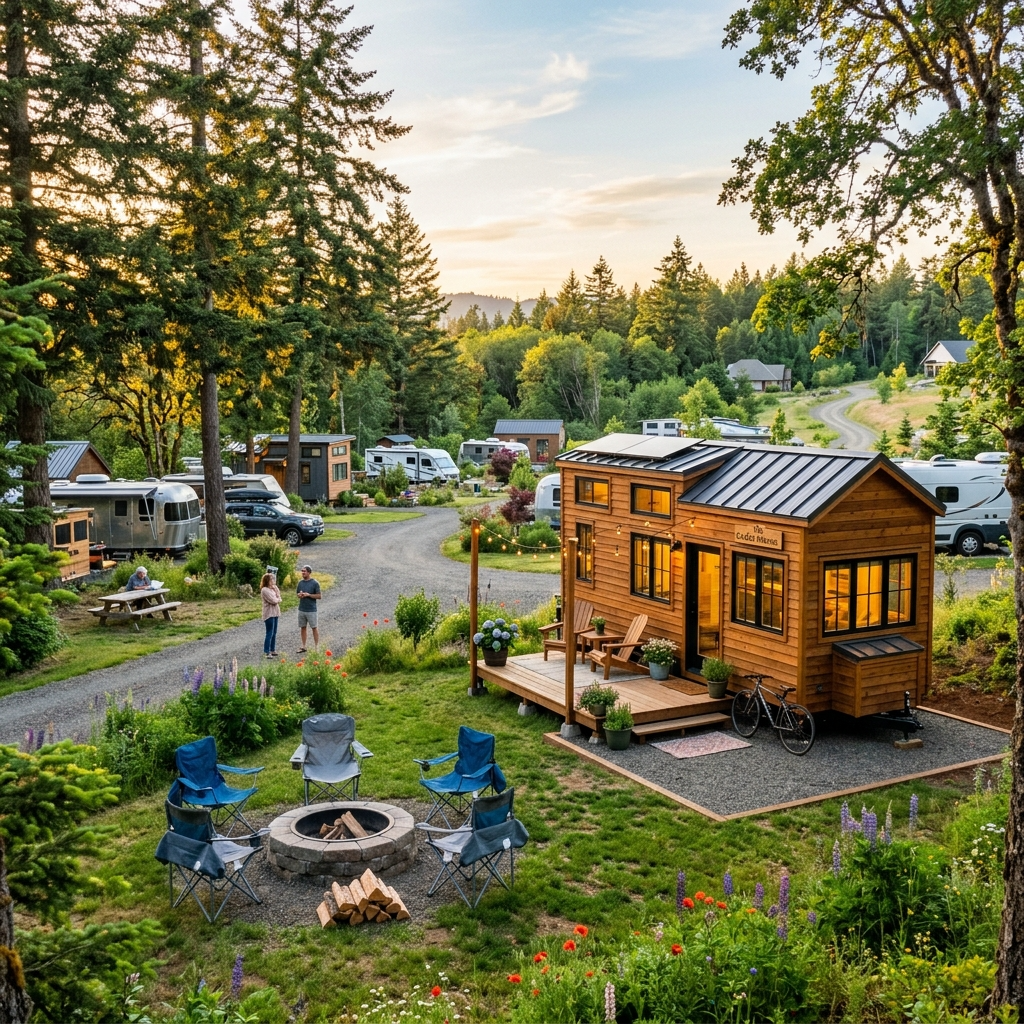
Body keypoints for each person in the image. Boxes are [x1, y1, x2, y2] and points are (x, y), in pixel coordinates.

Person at [295, 564, 321, 652]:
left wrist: (309, 595)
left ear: (309, 572)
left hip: (311, 610)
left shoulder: (315, 583)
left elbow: (319, 596)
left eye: (304, 571)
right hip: (301, 609)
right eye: (302, 571)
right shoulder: (300, 583)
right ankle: (303, 646)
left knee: (314, 627)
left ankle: (317, 647)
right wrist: (300, 595)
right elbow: (297, 594)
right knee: (303, 627)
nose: (302, 573)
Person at [261, 572, 281, 658]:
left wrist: (276, 591)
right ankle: (267, 651)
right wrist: (278, 599)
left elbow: (279, 596)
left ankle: (272, 649)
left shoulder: (273, 588)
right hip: (269, 613)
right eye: (271, 579)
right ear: (267, 581)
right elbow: (273, 600)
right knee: (269, 632)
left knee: (274, 632)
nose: (273, 580)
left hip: (275, 612)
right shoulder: (264, 590)